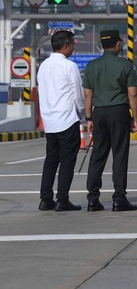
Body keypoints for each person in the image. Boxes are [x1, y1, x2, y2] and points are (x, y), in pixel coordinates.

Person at [83, 30, 137, 212]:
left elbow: (87, 95)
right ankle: (119, 198)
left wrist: (89, 117)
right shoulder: (126, 65)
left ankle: (92, 199)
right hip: (119, 112)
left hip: (99, 113)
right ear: (117, 44)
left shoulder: (91, 66)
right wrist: (135, 118)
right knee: (120, 155)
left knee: (97, 155)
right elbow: (132, 94)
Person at [36, 30, 85, 212]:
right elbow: (77, 94)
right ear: (65, 46)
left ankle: (45, 199)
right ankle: (63, 200)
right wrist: (82, 114)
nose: (73, 48)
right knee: (67, 162)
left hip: (50, 121)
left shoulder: (44, 66)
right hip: (67, 119)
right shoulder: (69, 66)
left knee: (51, 161)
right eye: (72, 45)